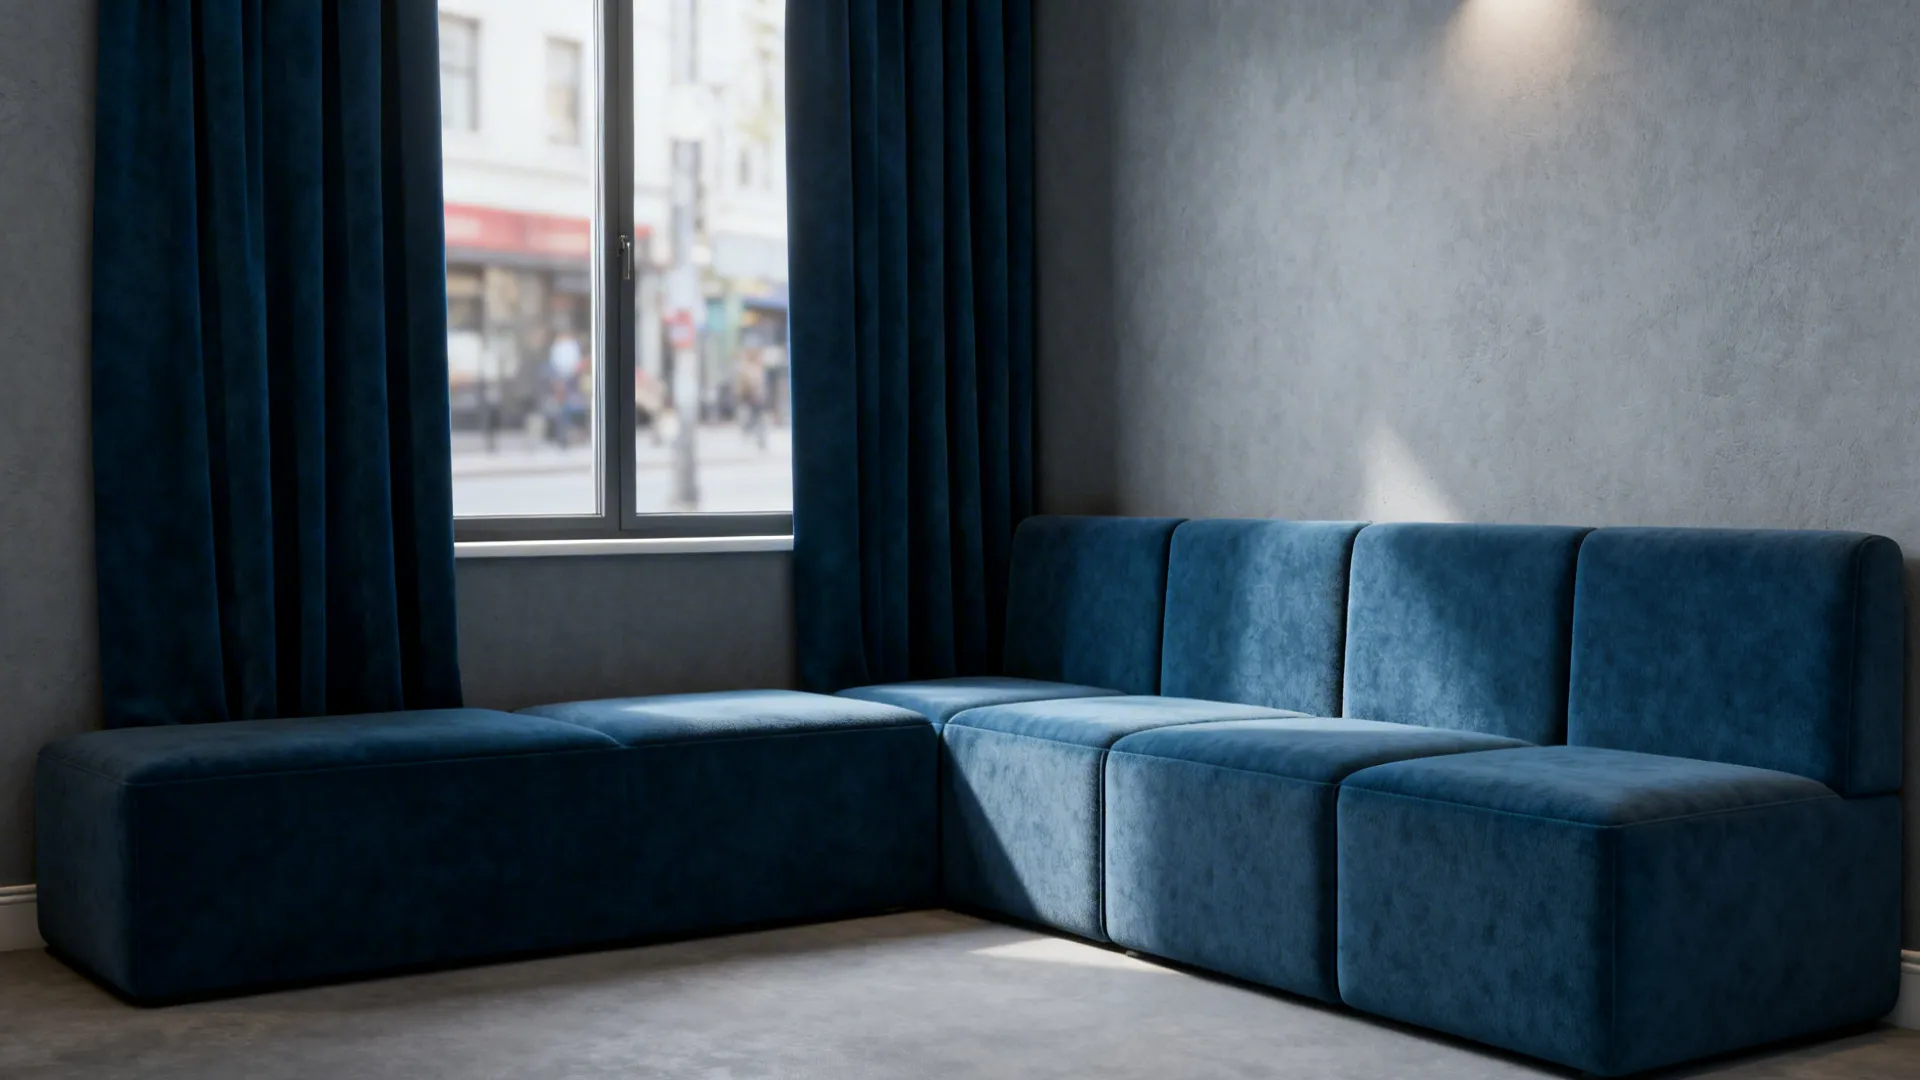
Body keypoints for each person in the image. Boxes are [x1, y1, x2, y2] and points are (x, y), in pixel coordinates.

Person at [546, 330, 583, 448]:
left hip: (567, 382)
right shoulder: (562, 347)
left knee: (565, 409)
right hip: (563, 382)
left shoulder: (567, 347)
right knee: (561, 410)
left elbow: (574, 366)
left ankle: (565, 437)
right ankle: (562, 437)